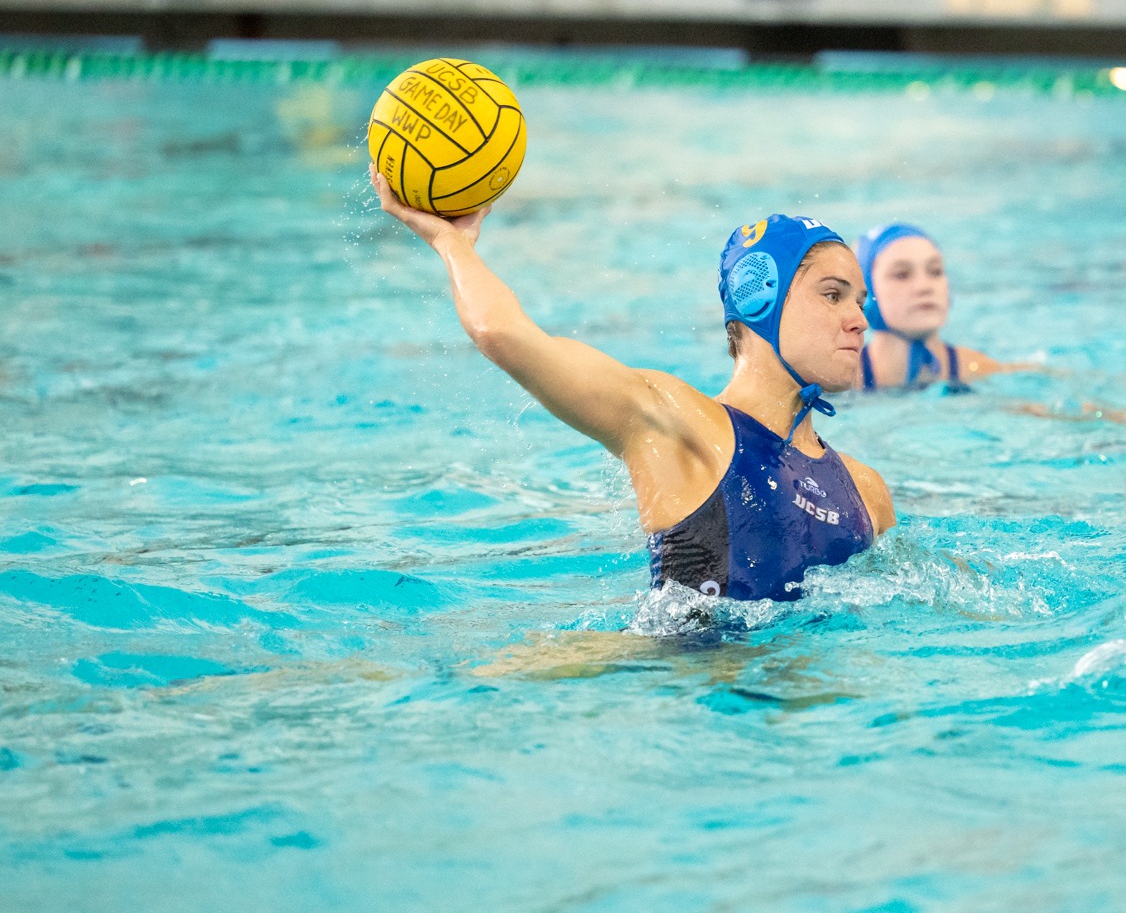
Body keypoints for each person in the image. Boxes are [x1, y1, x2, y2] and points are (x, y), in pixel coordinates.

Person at [374, 169, 895, 603]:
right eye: (833, 295)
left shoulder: (867, 494)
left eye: (860, 301)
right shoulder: (676, 424)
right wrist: (451, 242)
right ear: (761, 299)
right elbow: (503, 333)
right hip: (682, 692)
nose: (859, 320)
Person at [856, 223, 1005, 391]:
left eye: (935, 271)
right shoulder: (844, 380)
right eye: (901, 274)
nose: (924, 286)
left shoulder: (978, 369)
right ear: (864, 295)